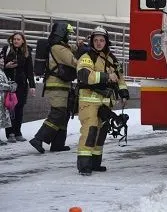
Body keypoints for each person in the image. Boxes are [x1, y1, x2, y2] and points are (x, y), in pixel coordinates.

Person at [76, 26, 129, 175]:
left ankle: (95, 163)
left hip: (105, 102)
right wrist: (106, 77)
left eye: (102, 40)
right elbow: (84, 75)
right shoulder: (87, 56)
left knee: (101, 133)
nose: (99, 43)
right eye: (96, 40)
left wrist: (123, 92)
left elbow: (120, 78)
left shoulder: (112, 58)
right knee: (90, 130)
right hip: (89, 101)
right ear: (92, 41)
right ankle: (84, 165)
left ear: (106, 42)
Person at [29, 22, 81, 153]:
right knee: (58, 114)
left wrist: (79, 46)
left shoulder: (60, 46)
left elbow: (70, 48)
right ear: (61, 34)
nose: (69, 37)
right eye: (68, 34)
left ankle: (58, 144)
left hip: (62, 85)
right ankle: (38, 139)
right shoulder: (58, 48)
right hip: (57, 86)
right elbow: (74, 62)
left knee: (63, 115)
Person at [1, 32, 36, 142]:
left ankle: (18, 132)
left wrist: (32, 85)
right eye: (14, 39)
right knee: (9, 107)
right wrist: (6, 66)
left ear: (23, 41)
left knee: (19, 108)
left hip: (21, 84)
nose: (16, 41)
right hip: (9, 84)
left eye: (18, 39)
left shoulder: (27, 51)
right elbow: (1, 65)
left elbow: (30, 70)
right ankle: (10, 133)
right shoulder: (6, 49)